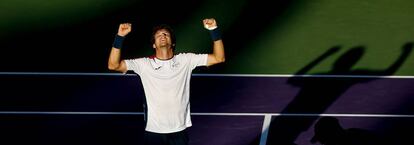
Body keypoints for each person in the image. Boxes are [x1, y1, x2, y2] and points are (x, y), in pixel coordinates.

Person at [107, 18, 225, 145]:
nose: (162, 36)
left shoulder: (186, 60)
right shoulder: (144, 64)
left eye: (166, 34)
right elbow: (113, 65)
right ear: (154, 44)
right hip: (153, 131)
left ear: (172, 43)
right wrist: (120, 37)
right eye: (158, 35)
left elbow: (219, 58)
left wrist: (214, 30)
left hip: (179, 130)